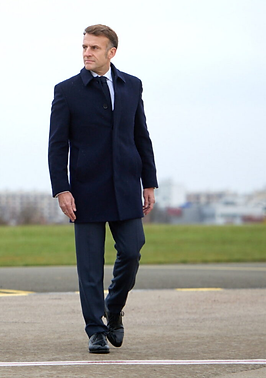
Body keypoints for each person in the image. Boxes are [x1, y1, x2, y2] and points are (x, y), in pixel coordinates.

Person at [48, 24, 158, 354]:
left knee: (132, 250)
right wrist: (62, 189)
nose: (87, 53)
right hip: (85, 190)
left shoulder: (131, 85)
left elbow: (141, 135)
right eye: (84, 47)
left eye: (94, 48)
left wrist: (149, 181)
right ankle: (95, 330)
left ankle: (114, 307)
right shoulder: (67, 90)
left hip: (125, 185)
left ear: (111, 52)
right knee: (90, 267)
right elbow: (57, 145)